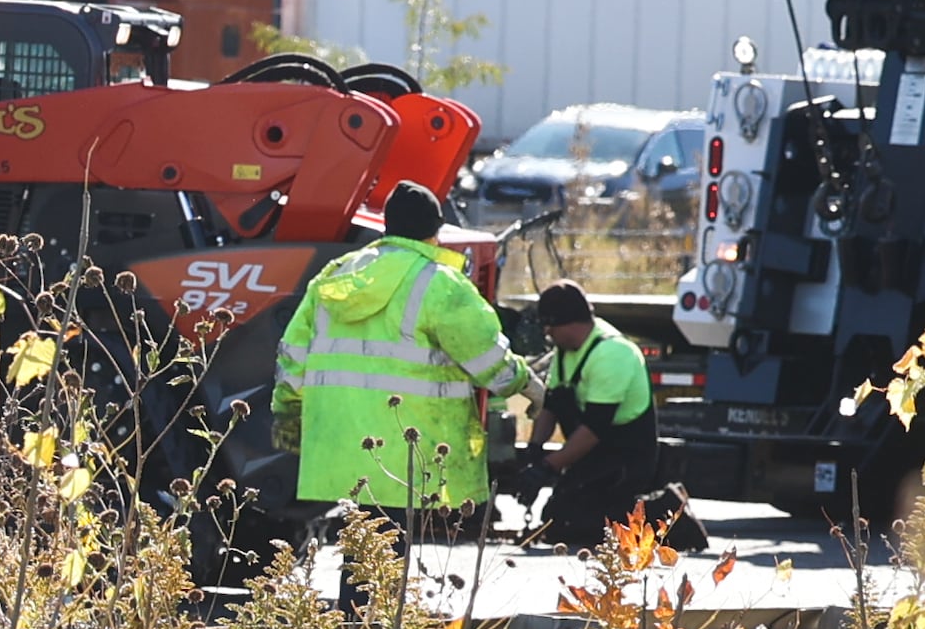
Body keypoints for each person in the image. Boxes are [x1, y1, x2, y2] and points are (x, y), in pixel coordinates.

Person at [278, 182, 526, 536]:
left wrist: (287, 411)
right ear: (435, 232)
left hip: (341, 441)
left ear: (386, 226)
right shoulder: (441, 284)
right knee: (386, 556)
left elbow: (292, 354)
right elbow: (491, 364)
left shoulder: (337, 274)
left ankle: (360, 594)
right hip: (407, 445)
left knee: (364, 545)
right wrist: (526, 383)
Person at [510, 279, 670, 549]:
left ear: (568, 323)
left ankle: (664, 512)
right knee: (558, 517)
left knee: (576, 523)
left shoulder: (612, 353)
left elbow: (595, 428)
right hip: (592, 455)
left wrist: (549, 467)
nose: (547, 333)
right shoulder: (565, 351)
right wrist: (534, 452)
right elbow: (552, 405)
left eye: (550, 325)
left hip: (624, 458)